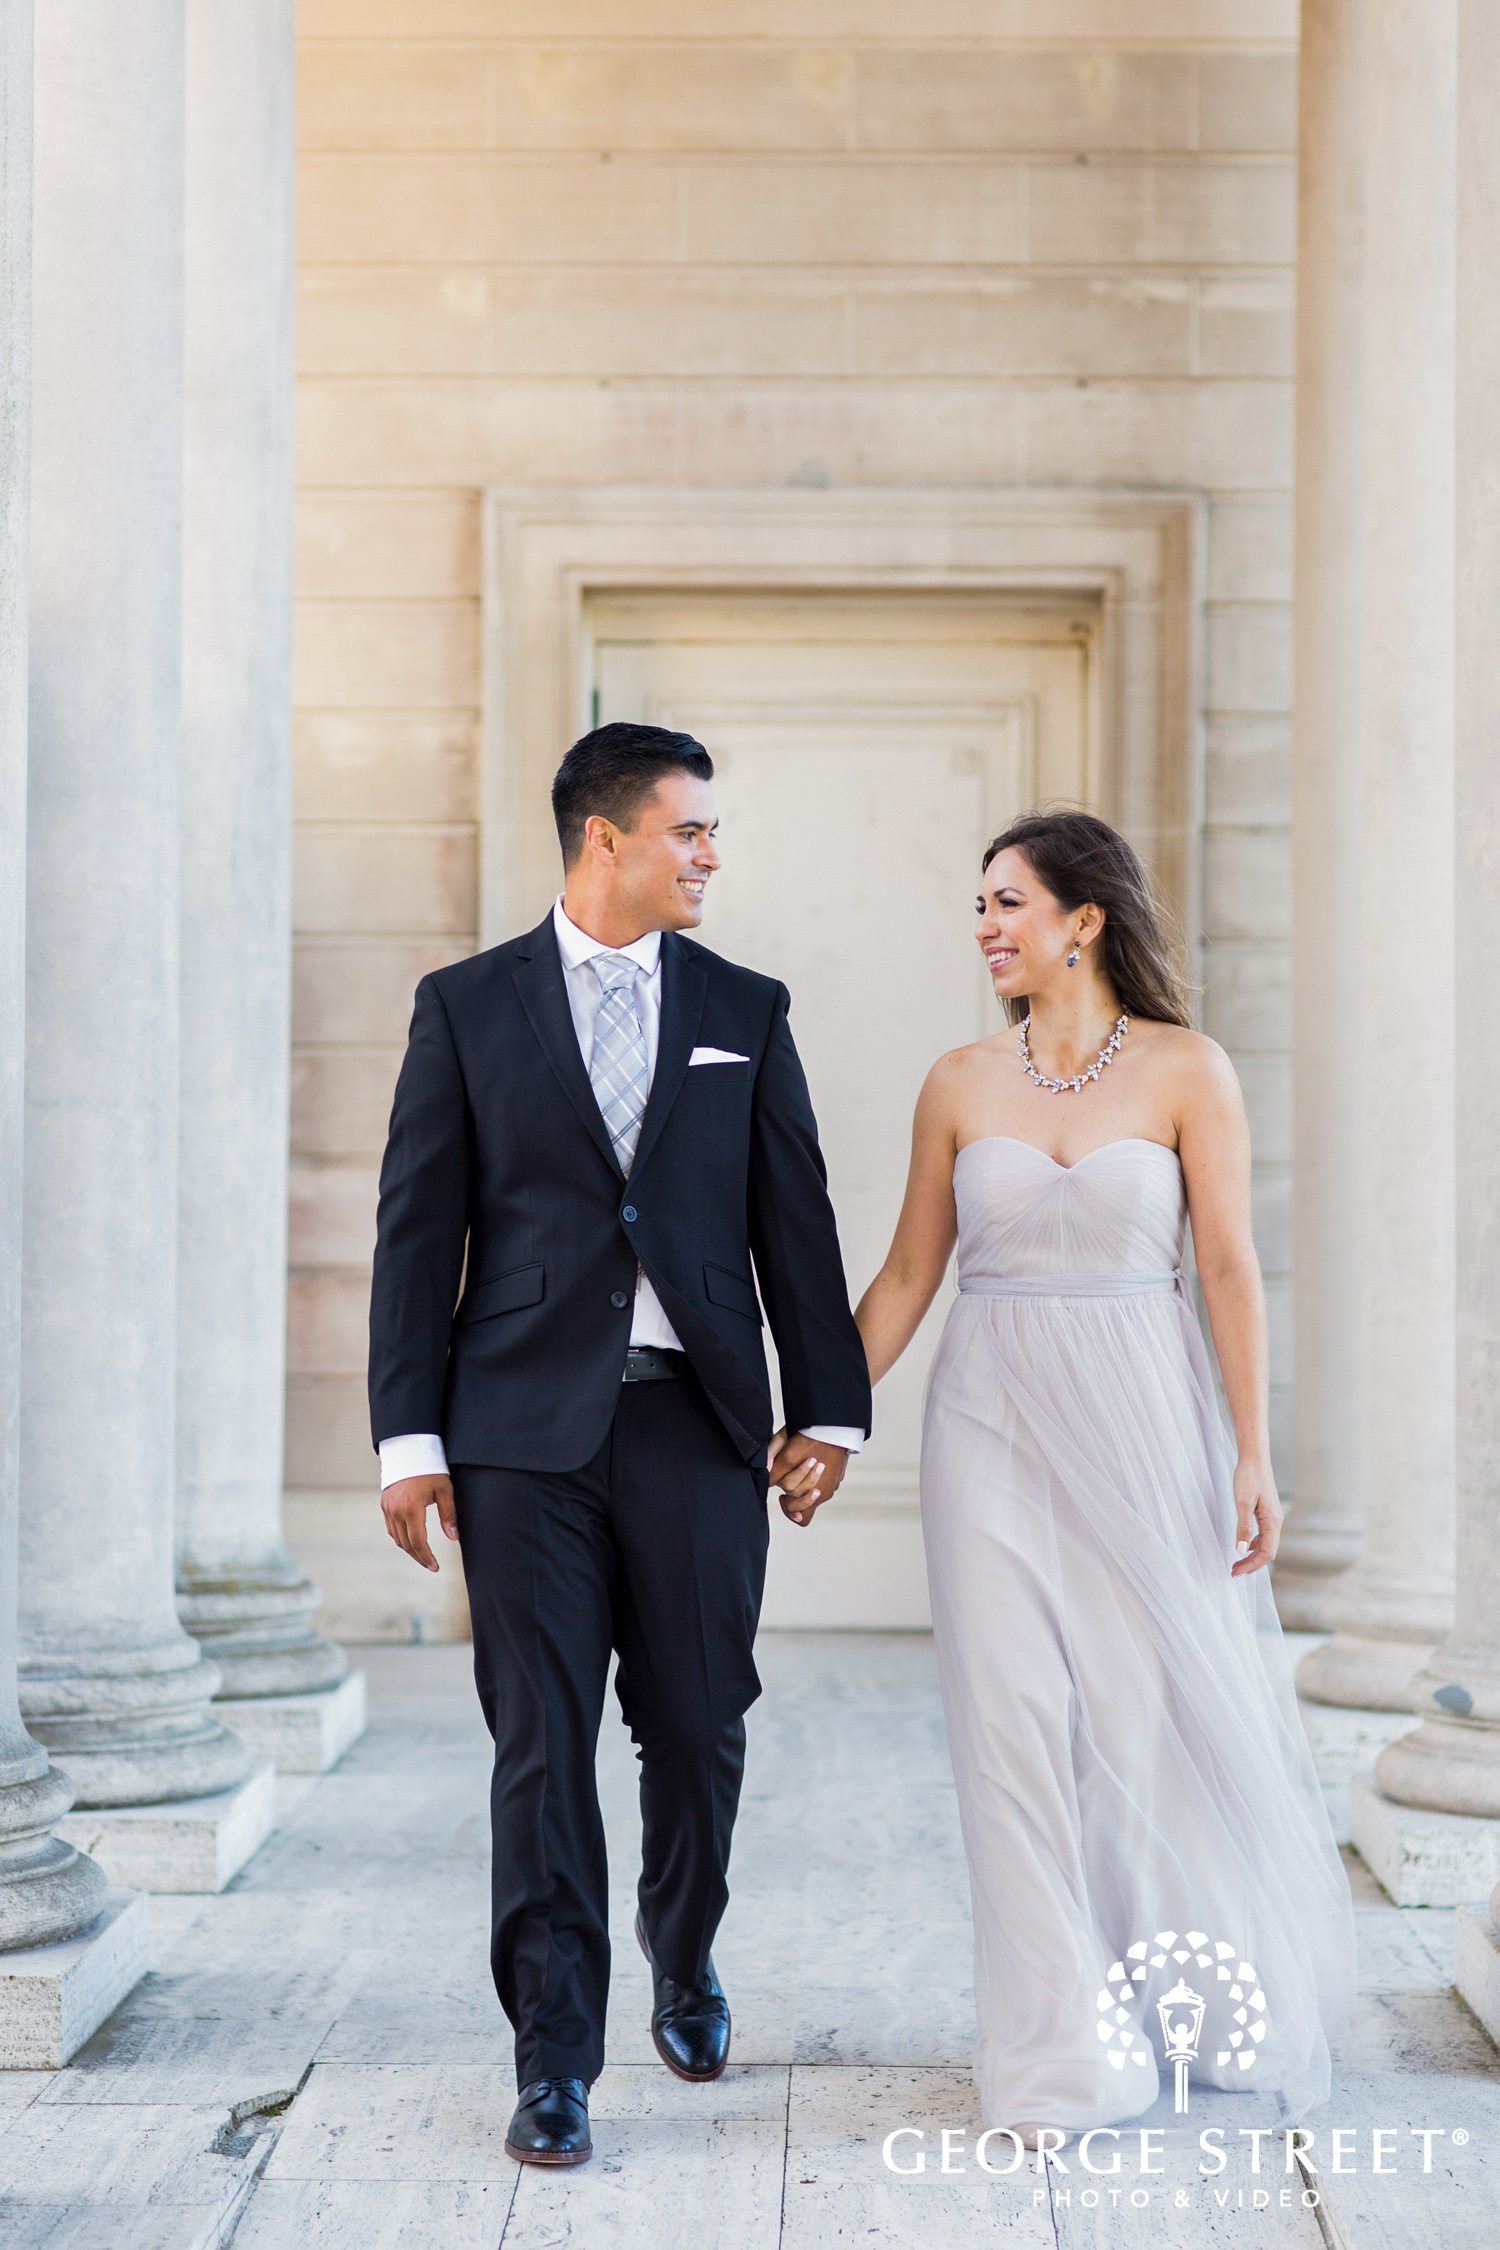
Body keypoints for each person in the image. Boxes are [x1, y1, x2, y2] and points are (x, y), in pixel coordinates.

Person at [368, 723, 870, 2167]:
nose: (711, 854)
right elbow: (419, 1231)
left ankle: (685, 1949)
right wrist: (410, 1435)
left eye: (712, 835)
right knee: (541, 1746)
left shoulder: (745, 1005)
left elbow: (797, 1216)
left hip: (698, 1422)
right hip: (518, 1431)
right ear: (605, 837)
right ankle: (554, 2057)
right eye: (689, 831)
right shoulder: (466, 1006)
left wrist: (824, 1407)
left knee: (702, 1726)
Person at [843, 809, 1354, 2135]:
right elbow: (908, 1275)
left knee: (1128, 1723)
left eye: (1008, 902)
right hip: (989, 1422)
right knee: (1011, 1725)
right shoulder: (958, 1082)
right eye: (979, 905)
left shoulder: (1190, 1070)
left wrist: (1252, 1449)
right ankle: (1057, 2046)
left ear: (1086, 918)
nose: (986, 927)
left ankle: (1162, 1993)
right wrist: (821, 1417)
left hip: (1146, 1418)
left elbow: (1231, 1268)